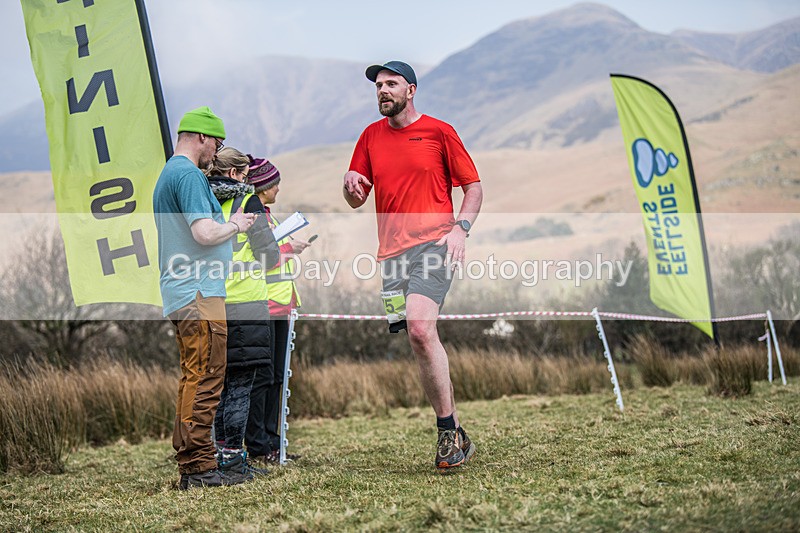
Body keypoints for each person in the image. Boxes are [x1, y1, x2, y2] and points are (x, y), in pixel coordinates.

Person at [342, 61, 484, 470]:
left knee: (422, 329)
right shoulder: (369, 137)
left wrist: (461, 228)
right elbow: (356, 197)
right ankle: (456, 431)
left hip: (436, 243)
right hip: (391, 254)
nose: (382, 90)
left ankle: (444, 432)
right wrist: (350, 186)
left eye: (391, 84)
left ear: (412, 89)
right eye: (378, 86)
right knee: (415, 339)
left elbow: (473, 188)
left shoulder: (439, 132)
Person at [152, 106, 256, 490]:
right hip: (198, 292)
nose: (217, 151)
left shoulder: (169, 174)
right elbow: (204, 233)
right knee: (208, 375)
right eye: (218, 142)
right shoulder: (190, 176)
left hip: (182, 290)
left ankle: (192, 460)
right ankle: (198, 467)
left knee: (193, 375)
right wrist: (235, 224)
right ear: (202, 138)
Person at [205, 147, 281, 481]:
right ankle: (233, 462)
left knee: (219, 384)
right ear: (237, 174)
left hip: (211, 302)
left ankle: (221, 456)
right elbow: (269, 255)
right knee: (240, 384)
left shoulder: (202, 202)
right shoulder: (247, 203)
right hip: (247, 302)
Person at [244, 157, 310, 464]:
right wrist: (288, 249)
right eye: (274, 183)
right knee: (264, 378)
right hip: (265, 303)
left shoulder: (267, 217)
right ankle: (258, 444)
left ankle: (273, 442)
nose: (278, 188)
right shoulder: (253, 215)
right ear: (262, 185)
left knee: (277, 377)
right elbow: (262, 257)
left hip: (282, 305)